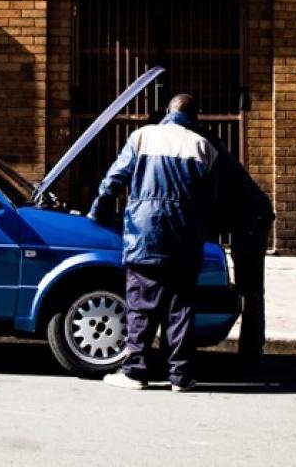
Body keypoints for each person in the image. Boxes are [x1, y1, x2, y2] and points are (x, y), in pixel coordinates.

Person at [88, 93, 217, 392]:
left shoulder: (142, 137)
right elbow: (209, 204)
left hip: (144, 234)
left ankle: (135, 371)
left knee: (141, 306)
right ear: (194, 117)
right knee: (180, 309)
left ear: (167, 112)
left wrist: (99, 212)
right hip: (184, 240)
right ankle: (181, 377)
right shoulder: (205, 148)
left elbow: (113, 180)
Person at [214, 146, 275, 373]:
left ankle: (251, 355)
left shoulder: (201, 149)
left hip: (251, 218)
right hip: (247, 215)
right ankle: (250, 354)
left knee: (250, 289)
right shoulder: (205, 145)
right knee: (249, 289)